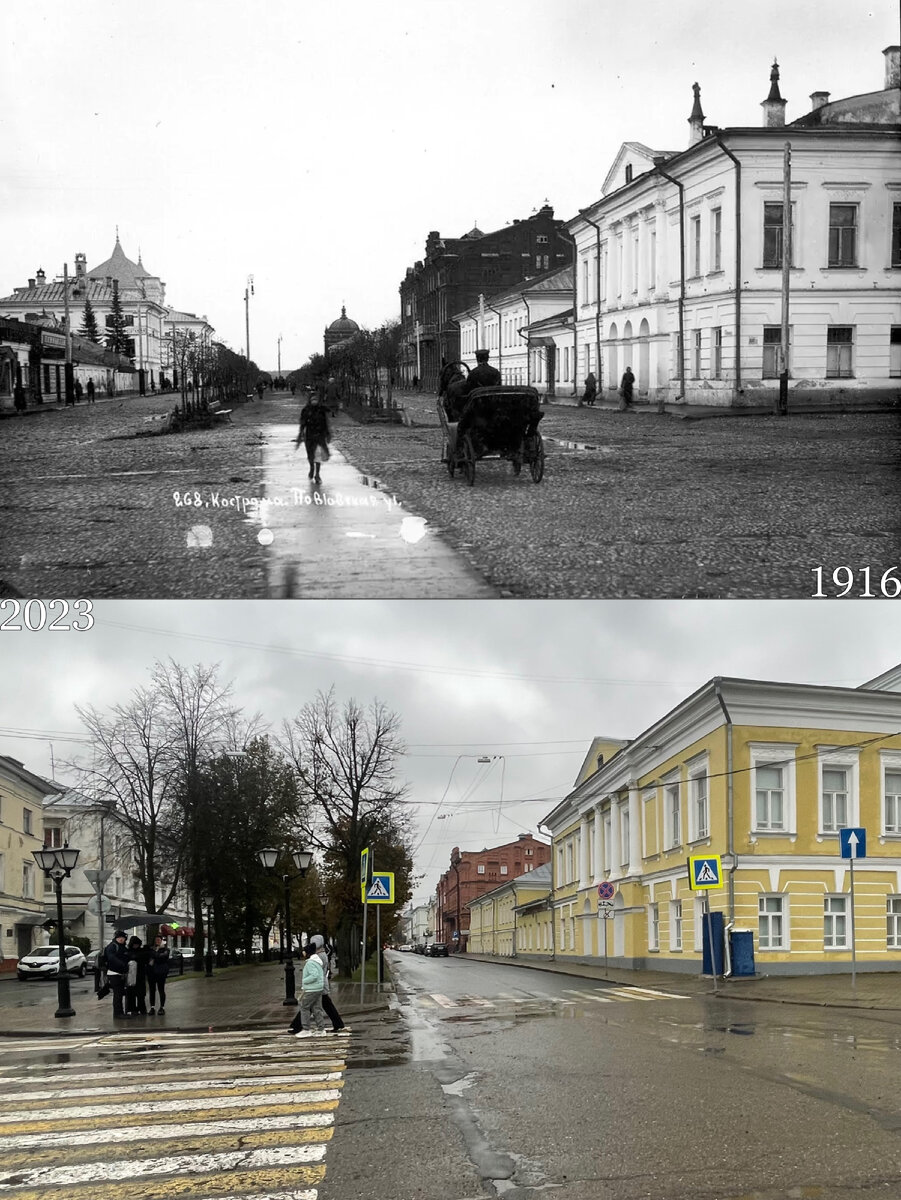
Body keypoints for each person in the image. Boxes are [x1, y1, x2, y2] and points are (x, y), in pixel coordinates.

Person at [288, 935, 349, 1035]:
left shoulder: (318, 956)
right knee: (321, 1006)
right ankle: (335, 1024)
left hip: (317, 985)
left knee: (308, 1006)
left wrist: (305, 981)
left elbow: (315, 973)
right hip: (320, 984)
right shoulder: (322, 953)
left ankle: (299, 1026)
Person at [295, 393, 332, 483]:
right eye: (313, 400)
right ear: (310, 401)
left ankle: (317, 475)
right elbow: (303, 423)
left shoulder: (321, 410)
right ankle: (312, 468)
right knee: (310, 455)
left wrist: (328, 434)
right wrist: (300, 435)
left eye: (316, 399)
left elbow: (326, 422)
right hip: (309, 435)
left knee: (318, 455)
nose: (314, 401)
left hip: (320, 435)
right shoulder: (306, 410)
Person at [294, 942, 328, 1038]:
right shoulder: (317, 961)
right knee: (317, 1008)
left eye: (304, 951)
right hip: (318, 988)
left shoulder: (310, 963)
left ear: (308, 953)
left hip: (312, 989)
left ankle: (306, 1029)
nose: (303, 953)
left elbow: (314, 975)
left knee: (304, 1007)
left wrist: (304, 981)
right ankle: (321, 1029)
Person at [103, 930, 131, 1018]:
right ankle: (118, 1013)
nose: (122, 939)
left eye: (123, 938)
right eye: (120, 938)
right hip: (114, 973)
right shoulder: (112, 946)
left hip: (120, 973)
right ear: (116, 938)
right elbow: (111, 958)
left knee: (119, 993)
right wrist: (122, 964)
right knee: (118, 994)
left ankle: (120, 1012)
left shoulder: (122, 947)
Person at [126, 935, 149, 1016]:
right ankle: (133, 1009)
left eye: (137, 944)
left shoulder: (141, 952)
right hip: (132, 976)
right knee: (132, 994)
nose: (136, 946)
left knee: (140, 995)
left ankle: (141, 1009)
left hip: (139, 975)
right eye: (134, 944)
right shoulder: (129, 952)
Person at [147, 934, 170, 1015]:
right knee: (152, 990)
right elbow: (149, 957)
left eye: (159, 940)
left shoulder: (165, 950)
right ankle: (152, 1007)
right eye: (156, 940)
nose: (157, 941)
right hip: (151, 972)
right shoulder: (151, 949)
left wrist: (156, 954)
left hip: (161, 972)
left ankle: (162, 1007)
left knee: (161, 989)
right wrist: (155, 954)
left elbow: (162, 958)